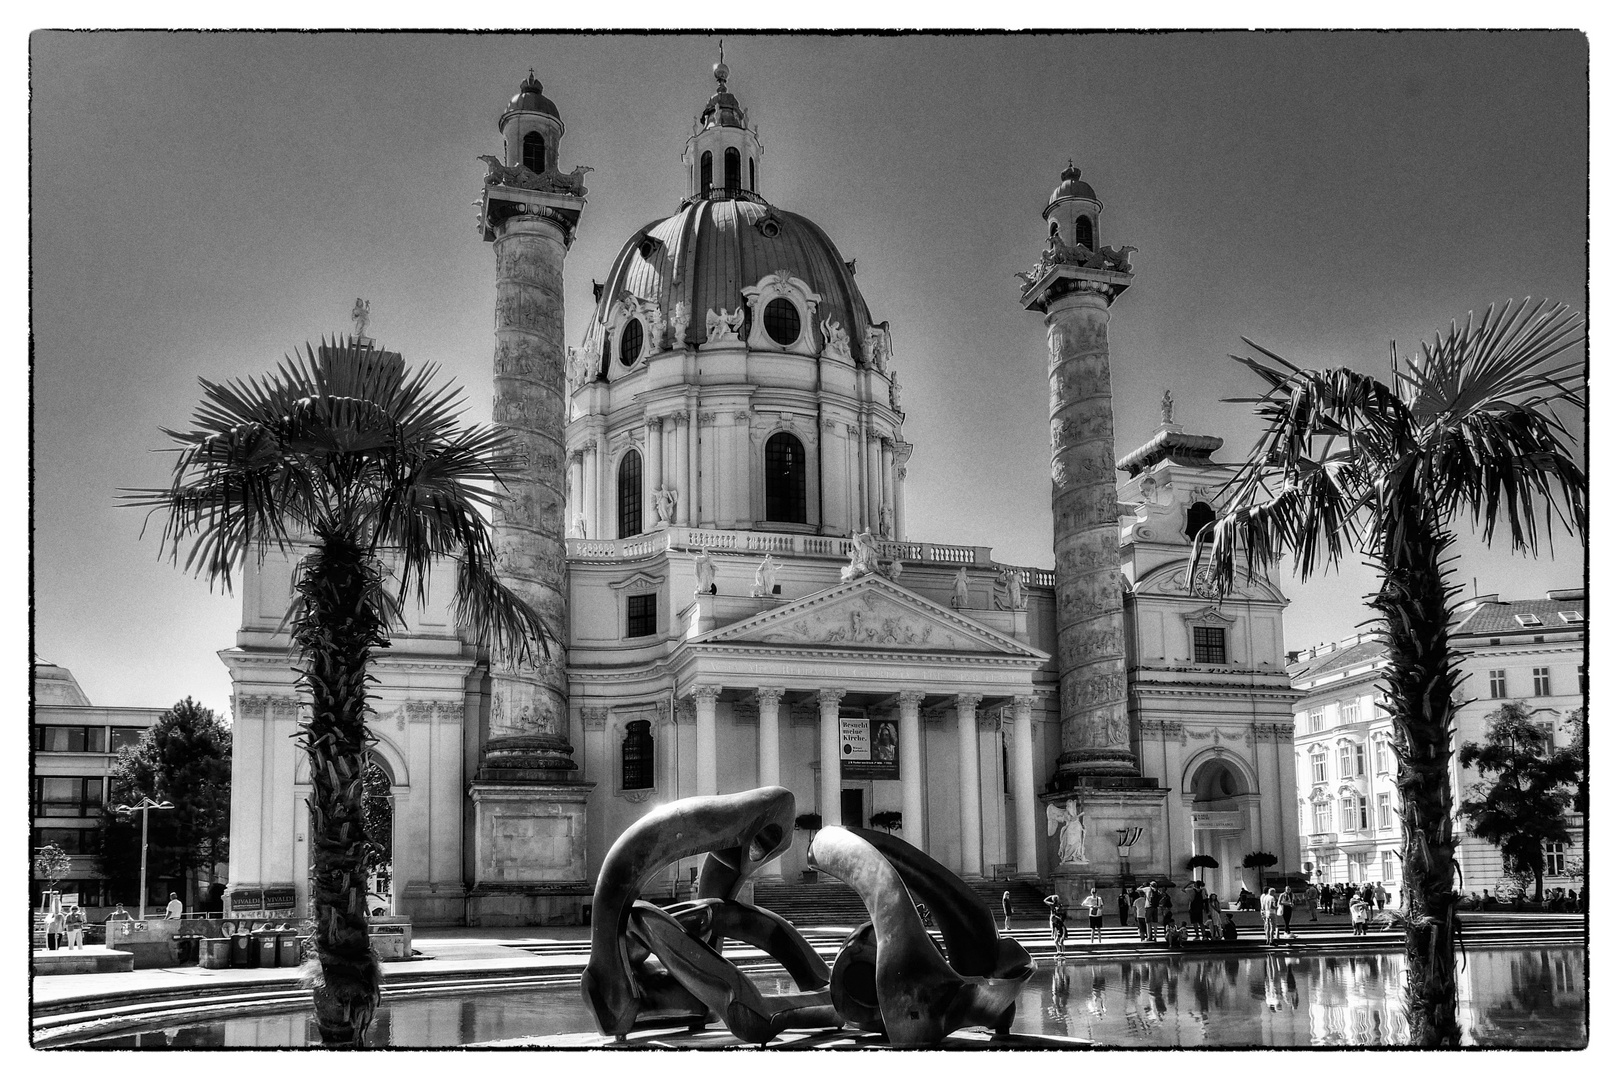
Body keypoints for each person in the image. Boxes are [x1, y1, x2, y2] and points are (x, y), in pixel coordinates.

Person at [1044, 894, 1069, 958]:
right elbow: (1063, 912)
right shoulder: (1059, 905)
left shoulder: (1052, 904)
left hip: (1054, 918)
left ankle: (1060, 951)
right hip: (1057, 918)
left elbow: (1045, 900)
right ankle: (1060, 951)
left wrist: (1050, 896)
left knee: (1055, 929)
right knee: (1057, 930)